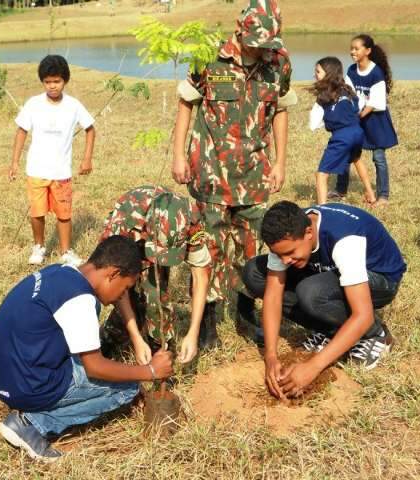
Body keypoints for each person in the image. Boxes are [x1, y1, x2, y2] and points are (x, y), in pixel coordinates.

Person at [172, 0, 297, 342]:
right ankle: (208, 320)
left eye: (268, 43)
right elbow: (186, 103)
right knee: (207, 245)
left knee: (253, 245)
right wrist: (178, 156)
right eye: (257, 41)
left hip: (254, 172)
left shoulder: (279, 62)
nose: (263, 49)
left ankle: (245, 314)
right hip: (210, 171)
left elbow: (281, 110)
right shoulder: (210, 57)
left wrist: (280, 161)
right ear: (240, 29)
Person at [0, 236, 174, 461]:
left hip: (4, 378)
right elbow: (94, 367)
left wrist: (135, 338)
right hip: (28, 386)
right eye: (125, 288)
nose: (122, 296)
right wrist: (151, 371)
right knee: (127, 387)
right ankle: (31, 424)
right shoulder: (81, 301)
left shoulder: (61, 272)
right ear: (113, 274)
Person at [242, 201, 406, 398]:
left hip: (379, 278)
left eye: (290, 253)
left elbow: (362, 315)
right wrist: (270, 356)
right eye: (280, 255)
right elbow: (273, 296)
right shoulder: (286, 234)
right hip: (329, 271)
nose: (285, 261)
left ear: (309, 233)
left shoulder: (345, 238)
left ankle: (376, 333)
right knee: (254, 273)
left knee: (311, 294)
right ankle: (331, 328)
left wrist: (313, 366)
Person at [99, 186, 214, 366]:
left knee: (155, 297)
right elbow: (116, 284)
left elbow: (201, 275)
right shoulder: (124, 220)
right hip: (132, 241)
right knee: (132, 296)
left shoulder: (190, 218)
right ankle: (109, 338)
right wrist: (136, 338)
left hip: (153, 240)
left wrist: (193, 332)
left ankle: (159, 347)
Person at [8, 54, 96, 266]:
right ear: (42, 82)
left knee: (64, 214)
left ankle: (66, 251)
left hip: (61, 172)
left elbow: (90, 129)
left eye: (56, 81)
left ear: (65, 80)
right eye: (47, 82)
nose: (52, 86)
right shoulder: (33, 104)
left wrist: (87, 159)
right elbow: (21, 131)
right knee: (37, 212)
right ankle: (38, 247)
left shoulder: (73, 105)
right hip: (37, 169)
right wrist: (14, 162)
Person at [330, 34, 398, 207]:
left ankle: (383, 196)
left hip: (375, 121)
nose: (352, 51)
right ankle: (340, 190)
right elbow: (349, 93)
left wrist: (357, 116)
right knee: (347, 153)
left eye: (356, 48)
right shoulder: (352, 71)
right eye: (351, 48)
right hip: (357, 118)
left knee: (379, 158)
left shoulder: (376, 73)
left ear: (367, 51)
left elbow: (374, 103)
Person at [309, 57, 376, 205]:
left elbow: (314, 122)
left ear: (328, 74)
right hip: (358, 132)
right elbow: (358, 106)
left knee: (321, 174)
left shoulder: (324, 96)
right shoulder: (348, 90)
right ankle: (370, 194)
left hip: (342, 136)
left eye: (318, 72)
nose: (315, 75)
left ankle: (322, 207)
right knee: (356, 159)